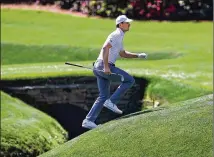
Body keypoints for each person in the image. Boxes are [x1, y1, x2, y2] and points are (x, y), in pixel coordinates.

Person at [82, 15, 147, 129]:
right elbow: (105, 48)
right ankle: (112, 101)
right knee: (129, 80)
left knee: (103, 96)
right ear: (120, 24)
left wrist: (138, 55)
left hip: (98, 67)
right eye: (126, 23)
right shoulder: (116, 34)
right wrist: (106, 67)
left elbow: (123, 54)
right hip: (104, 65)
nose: (129, 24)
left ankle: (88, 120)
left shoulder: (120, 37)